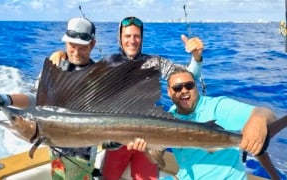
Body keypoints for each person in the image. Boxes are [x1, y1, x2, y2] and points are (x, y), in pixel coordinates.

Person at [49, 16, 204, 180]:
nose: (132, 41)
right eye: (127, 36)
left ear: (142, 39)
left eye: (137, 36)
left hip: (148, 137)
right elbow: (80, 80)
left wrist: (196, 57)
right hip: (117, 139)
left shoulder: (155, 62)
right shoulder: (107, 64)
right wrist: (62, 55)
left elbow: (187, 78)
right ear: (120, 38)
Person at [0, 17, 100, 180]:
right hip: (55, 152)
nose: (76, 52)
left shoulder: (99, 77)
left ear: (92, 44)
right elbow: (36, 100)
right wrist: (7, 99)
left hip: (82, 157)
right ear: (65, 43)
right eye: (71, 45)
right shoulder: (53, 68)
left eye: (82, 47)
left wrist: (113, 141)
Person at [128, 66, 281, 180]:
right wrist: (147, 150)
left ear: (196, 86)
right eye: (177, 88)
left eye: (189, 85)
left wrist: (258, 119)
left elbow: (267, 113)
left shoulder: (218, 106)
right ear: (169, 92)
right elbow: (157, 160)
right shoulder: (169, 117)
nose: (184, 91)